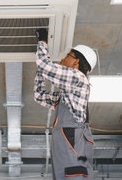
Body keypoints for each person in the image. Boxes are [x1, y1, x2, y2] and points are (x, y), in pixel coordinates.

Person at [34, 29, 97, 179]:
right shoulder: (68, 97)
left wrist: (42, 41)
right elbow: (39, 96)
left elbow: (44, 64)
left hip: (71, 159)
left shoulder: (78, 78)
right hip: (67, 158)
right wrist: (41, 70)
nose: (63, 58)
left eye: (68, 55)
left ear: (76, 62)